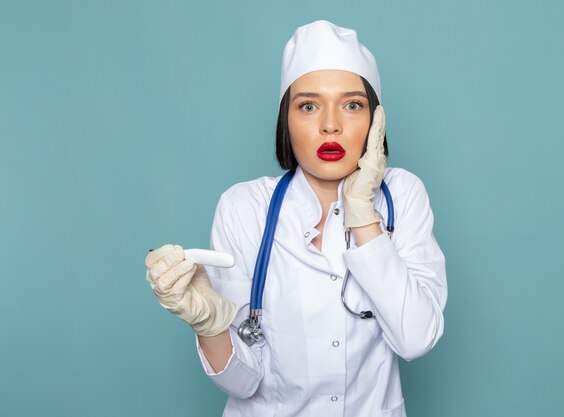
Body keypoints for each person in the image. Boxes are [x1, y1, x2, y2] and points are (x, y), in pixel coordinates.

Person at [145, 20, 447, 417]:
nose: (330, 124)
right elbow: (243, 382)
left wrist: (362, 214)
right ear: (285, 119)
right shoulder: (245, 208)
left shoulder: (403, 196)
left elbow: (416, 339)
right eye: (308, 105)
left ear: (376, 120)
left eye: (352, 104)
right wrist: (211, 327)